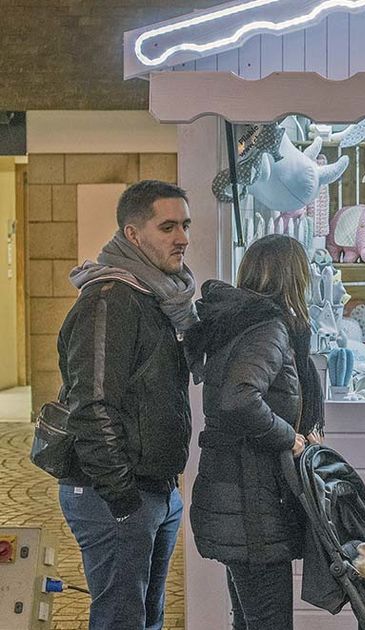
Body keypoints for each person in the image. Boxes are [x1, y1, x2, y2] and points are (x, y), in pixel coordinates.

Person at [58, 180, 196, 630]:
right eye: (168, 226)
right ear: (133, 235)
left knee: (144, 619)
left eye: (185, 225)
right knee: (122, 620)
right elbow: (91, 406)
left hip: (154, 489)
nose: (183, 238)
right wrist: (123, 500)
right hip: (113, 494)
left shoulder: (154, 297)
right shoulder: (110, 300)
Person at [184, 235, 325, 630]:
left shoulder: (238, 324)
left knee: (250, 620)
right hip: (251, 501)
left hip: (242, 494)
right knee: (267, 622)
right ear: (293, 278)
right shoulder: (269, 328)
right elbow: (239, 398)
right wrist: (288, 437)